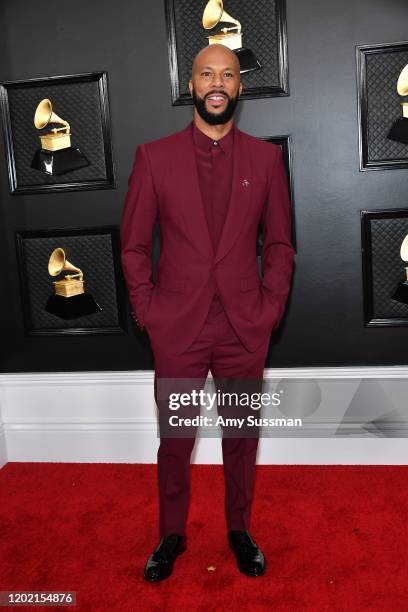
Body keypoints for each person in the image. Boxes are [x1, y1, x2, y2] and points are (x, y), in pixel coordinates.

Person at [120, 43, 294, 582]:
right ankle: (170, 533)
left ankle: (239, 529)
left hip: (244, 327)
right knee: (176, 439)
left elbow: (282, 246)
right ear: (190, 85)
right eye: (205, 74)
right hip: (178, 327)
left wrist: (268, 310)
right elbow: (132, 247)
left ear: (240, 87)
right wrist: (150, 312)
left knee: (241, 437)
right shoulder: (154, 157)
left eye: (227, 75)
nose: (216, 83)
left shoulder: (267, 160)